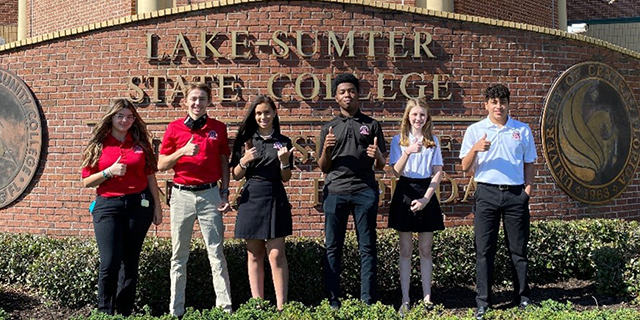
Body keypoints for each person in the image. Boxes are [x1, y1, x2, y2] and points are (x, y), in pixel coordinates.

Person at [459, 84, 537, 319]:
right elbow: (465, 167)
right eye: (493, 102)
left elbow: (530, 162)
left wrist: (528, 191)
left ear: (508, 104)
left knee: (518, 250)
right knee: (484, 250)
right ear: (486, 105)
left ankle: (522, 297)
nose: (498, 106)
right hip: (487, 194)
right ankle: (483, 302)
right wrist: (476, 148)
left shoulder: (522, 130)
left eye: (502, 102)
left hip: (515, 195)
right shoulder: (475, 130)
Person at [81, 98, 162, 316]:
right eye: (120, 116)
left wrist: (157, 206)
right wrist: (109, 172)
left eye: (129, 116)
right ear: (111, 117)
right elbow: (87, 181)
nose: (125, 120)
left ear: (134, 120)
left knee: (130, 261)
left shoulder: (140, 144)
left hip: (139, 205)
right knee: (110, 261)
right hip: (108, 206)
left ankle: (124, 311)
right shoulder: (99, 144)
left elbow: (150, 176)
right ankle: (105, 311)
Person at [158, 83, 233, 317]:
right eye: (193, 99)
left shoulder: (218, 128)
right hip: (181, 195)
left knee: (216, 252)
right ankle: (176, 310)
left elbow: (223, 163)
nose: (197, 103)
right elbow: (161, 165)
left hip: (210, 195)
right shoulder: (173, 128)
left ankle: (225, 308)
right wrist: (181, 152)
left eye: (202, 99)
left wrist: (225, 192)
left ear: (209, 102)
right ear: (186, 101)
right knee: (179, 256)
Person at [317, 73, 387, 308]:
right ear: (336, 98)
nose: (348, 95)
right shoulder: (329, 127)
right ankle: (332, 299)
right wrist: (327, 149)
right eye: (342, 92)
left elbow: (380, 164)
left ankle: (367, 300)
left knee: (367, 247)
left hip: (364, 191)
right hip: (335, 190)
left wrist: (377, 156)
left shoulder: (372, 125)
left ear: (359, 95)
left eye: (352, 91)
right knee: (333, 246)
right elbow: (323, 167)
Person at [230, 95, 293, 311]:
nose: (263, 117)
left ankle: (282, 307)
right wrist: (244, 160)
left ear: (274, 113)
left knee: (276, 254)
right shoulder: (247, 140)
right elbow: (236, 175)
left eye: (267, 112)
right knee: (254, 253)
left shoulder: (284, 142)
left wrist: (284, 163)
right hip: (252, 196)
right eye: (258, 113)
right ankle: (257, 305)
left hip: (275, 193)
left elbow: (286, 178)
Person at [388, 99, 444, 313]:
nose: (418, 118)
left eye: (422, 114)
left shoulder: (433, 141)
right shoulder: (398, 140)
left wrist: (426, 199)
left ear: (427, 117)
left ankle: (427, 299)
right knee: (405, 249)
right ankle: (405, 299)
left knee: (425, 249)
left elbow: (437, 172)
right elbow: (395, 172)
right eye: (414, 114)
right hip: (405, 190)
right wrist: (408, 151)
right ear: (408, 117)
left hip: (426, 192)